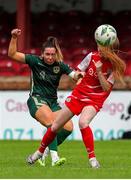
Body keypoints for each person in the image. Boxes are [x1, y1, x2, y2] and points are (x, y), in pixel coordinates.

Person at [26, 25, 126, 168]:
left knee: (83, 123)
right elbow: (79, 71)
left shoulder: (114, 65)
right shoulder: (91, 56)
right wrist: (79, 79)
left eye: (100, 45)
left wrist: (98, 72)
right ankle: (39, 153)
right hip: (79, 95)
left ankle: (92, 160)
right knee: (55, 126)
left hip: (95, 99)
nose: (98, 47)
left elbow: (106, 87)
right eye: (97, 44)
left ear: (107, 46)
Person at [8, 29, 84, 166]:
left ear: (56, 55)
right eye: (47, 54)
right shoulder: (34, 61)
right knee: (51, 123)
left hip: (52, 103)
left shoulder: (60, 66)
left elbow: (74, 75)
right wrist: (14, 37)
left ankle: (42, 152)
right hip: (36, 99)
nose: (50, 57)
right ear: (42, 54)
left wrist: (79, 76)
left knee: (68, 127)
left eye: (52, 55)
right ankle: (55, 158)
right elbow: (12, 54)